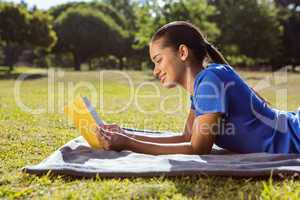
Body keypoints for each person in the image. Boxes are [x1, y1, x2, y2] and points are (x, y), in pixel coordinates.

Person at [95, 21, 300, 155]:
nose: (155, 70)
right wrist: (126, 135)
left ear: (182, 52)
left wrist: (128, 144)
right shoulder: (202, 86)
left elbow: (198, 147)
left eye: (158, 60)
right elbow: (187, 137)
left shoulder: (211, 80)